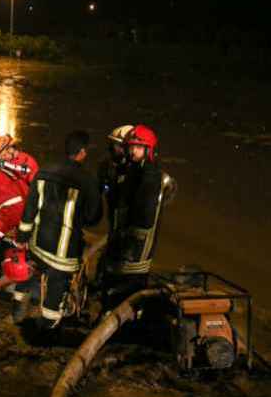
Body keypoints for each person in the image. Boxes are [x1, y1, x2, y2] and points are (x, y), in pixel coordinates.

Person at [13, 131, 102, 331]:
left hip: (38, 244)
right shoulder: (87, 181)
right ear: (82, 153)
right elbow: (93, 218)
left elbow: (30, 209)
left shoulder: (43, 171)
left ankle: (18, 305)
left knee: (31, 271)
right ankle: (48, 323)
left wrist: (22, 237)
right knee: (57, 282)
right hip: (63, 252)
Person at [103, 125, 175, 303]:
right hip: (124, 247)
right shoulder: (133, 172)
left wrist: (126, 240)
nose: (133, 151)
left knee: (127, 298)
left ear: (148, 150)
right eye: (131, 147)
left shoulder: (150, 176)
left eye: (138, 147)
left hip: (135, 253)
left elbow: (144, 218)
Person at [97, 125, 135, 265]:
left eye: (117, 145)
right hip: (114, 215)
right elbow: (99, 190)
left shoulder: (137, 170)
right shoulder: (107, 165)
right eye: (112, 145)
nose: (113, 148)